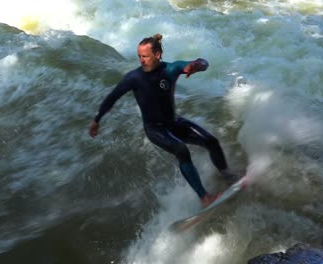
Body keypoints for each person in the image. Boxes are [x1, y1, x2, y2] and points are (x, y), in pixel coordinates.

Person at [88, 34, 236, 207]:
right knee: (182, 150)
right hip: (155, 129)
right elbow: (112, 97)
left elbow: (203, 62)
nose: (141, 60)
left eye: (145, 56)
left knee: (211, 142)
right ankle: (205, 198)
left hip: (175, 123)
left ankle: (227, 175)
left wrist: (196, 66)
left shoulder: (171, 69)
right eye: (139, 57)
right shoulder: (134, 78)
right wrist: (97, 120)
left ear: (157, 55)